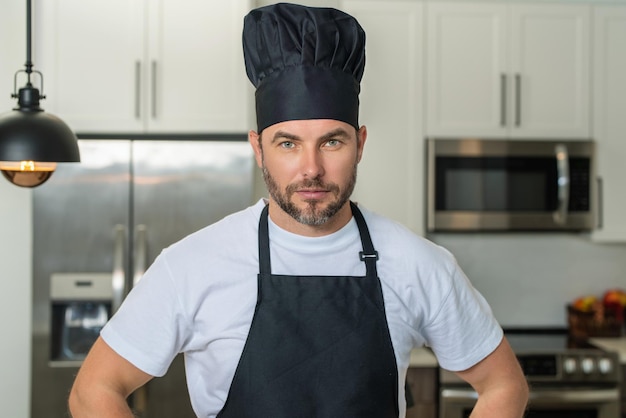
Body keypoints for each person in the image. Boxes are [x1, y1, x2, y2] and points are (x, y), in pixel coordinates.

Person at [68, 3, 529, 417]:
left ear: (360, 144)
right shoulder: (191, 265)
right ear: (258, 148)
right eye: (288, 143)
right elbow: (94, 391)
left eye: (332, 141)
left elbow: (504, 387)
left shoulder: (419, 264)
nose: (312, 169)